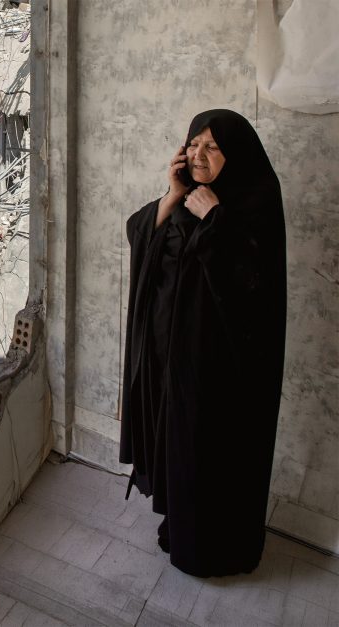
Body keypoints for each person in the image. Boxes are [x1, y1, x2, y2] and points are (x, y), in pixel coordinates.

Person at [119, 109, 286, 578]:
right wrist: (172, 197)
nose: (197, 154)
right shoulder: (186, 197)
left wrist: (215, 218)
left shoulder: (253, 202)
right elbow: (141, 235)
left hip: (223, 367)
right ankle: (180, 530)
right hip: (177, 358)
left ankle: (218, 552)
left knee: (215, 459)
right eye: (193, 144)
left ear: (234, 155)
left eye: (211, 147)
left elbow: (252, 285)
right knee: (182, 450)